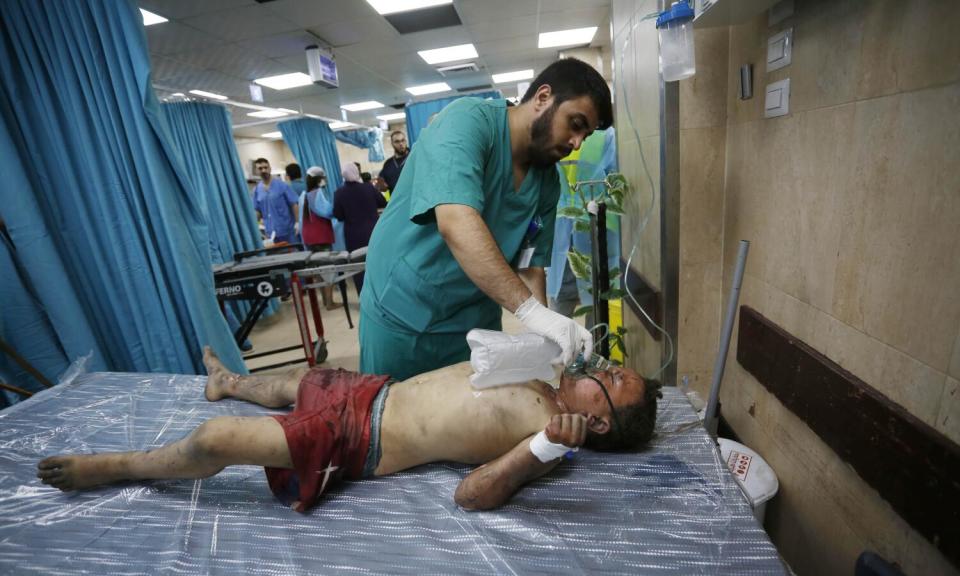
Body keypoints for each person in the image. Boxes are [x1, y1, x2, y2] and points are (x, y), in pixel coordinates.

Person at [37, 348, 662, 512]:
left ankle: (118, 465)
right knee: (305, 378)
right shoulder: (548, 375)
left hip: (362, 439)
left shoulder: (549, 435)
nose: (600, 365)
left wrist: (548, 446)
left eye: (609, 376)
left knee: (217, 440)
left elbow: (472, 494)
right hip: (376, 392)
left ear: (599, 418)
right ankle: (229, 381)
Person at [359, 58, 614, 381]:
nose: (577, 142)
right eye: (575, 124)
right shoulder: (465, 123)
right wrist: (532, 313)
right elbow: (455, 221)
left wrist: (546, 332)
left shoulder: (546, 182)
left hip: (473, 321)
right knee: (390, 416)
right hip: (403, 313)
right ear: (542, 97)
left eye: (586, 136)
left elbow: (529, 264)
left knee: (469, 419)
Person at [548, 127, 620, 321]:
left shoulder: (553, 132)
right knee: (597, 299)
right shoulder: (606, 137)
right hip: (595, 225)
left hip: (561, 226)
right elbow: (616, 180)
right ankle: (596, 349)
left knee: (561, 304)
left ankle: (561, 349)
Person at [333, 162, 387, 294]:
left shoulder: (339, 193)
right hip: (374, 233)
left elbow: (338, 216)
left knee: (358, 269)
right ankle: (382, 295)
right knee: (378, 265)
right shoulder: (368, 188)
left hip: (353, 236)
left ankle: (364, 298)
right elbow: (383, 202)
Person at [299, 166, 340, 310]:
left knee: (317, 270)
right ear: (320, 179)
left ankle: (324, 301)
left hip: (309, 238)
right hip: (321, 237)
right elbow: (326, 211)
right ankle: (330, 303)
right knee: (328, 269)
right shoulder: (317, 194)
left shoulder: (303, 195)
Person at [252, 158, 299, 245]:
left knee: (294, 254)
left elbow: (294, 204)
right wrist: (256, 228)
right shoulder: (256, 190)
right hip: (270, 233)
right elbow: (257, 210)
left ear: (270, 168)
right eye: (260, 168)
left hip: (287, 230)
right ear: (256, 171)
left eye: (266, 167)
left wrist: (297, 222)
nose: (264, 170)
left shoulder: (282, 185)